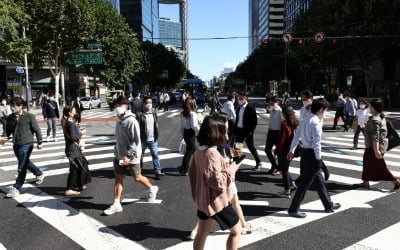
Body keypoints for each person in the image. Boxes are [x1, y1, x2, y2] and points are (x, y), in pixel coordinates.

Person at [188, 114, 242, 250]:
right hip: (217, 201)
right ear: (217, 132)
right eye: (225, 130)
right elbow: (217, 182)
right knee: (237, 231)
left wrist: (224, 163)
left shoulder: (199, 151)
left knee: (201, 233)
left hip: (203, 200)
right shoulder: (212, 153)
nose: (226, 133)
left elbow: (195, 173)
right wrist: (232, 169)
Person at [103, 96, 159, 215]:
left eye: (118, 105)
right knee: (118, 178)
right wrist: (117, 152)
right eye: (116, 105)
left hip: (131, 156)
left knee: (137, 177)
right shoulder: (119, 120)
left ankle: (152, 188)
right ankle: (116, 203)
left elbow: (136, 142)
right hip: (119, 155)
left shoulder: (131, 120)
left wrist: (129, 156)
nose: (116, 108)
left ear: (125, 106)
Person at [286, 98, 340, 218]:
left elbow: (297, 136)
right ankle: (293, 209)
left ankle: (328, 204)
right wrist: (319, 159)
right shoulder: (315, 122)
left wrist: (291, 150)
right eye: (325, 110)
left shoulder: (305, 119)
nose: (325, 112)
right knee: (305, 184)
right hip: (312, 155)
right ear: (321, 109)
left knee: (319, 180)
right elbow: (317, 144)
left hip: (305, 153)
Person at [353, 99, 400, 191]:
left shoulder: (375, 120)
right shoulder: (379, 116)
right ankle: (365, 182)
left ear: (374, 108)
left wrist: (376, 150)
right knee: (367, 163)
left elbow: (375, 137)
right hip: (372, 146)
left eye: (370, 106)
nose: (369, 108)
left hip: (373, 147)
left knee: (381, 166)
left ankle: (396, 181)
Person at [5, 97, 45, 198]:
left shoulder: (29, 116)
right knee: (25, 162)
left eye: (13, 106)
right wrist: (2, 138)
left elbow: (37, 129)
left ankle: (17, 188)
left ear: (21, 106)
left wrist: (40, 142)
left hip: (27, 143)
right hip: (16, 144)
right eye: (11, 106)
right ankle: (39, 173)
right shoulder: (10, 118)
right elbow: (7, 131)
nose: (12, 108)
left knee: (22, 166)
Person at [61, 106, 91, 196]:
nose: (76, 112)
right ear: (70, 113)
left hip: (73, 148)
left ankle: (79, 184)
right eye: (74, 111)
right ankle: (69, 189)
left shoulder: (69, 122)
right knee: (74, 169)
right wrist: (81, 132)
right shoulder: (70, 124)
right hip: (72, 149)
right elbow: (74, 137)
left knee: (82, 165)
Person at [274, 106, 298, 198]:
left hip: (283, 150)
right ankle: (292, 184)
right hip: (291, 149)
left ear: (284, 114)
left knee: (284, 170)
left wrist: (276, 151)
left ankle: (287, 190)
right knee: (285, 168)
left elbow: (281, 140)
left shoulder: (284, 125)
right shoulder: (294, 123)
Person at [139, 96, 164, 179]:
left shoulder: (153, 113)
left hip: (153, 139)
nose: (149, 104)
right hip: (142, 139)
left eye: (150, 103)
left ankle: (157, 171)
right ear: (143, 104)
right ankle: (139, 170)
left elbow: (156, 123)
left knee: (155, 155)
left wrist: (157, 131)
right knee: (140, 156)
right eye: (147, 103)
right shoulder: (139, 115)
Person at [235, 92, 261, 169]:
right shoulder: (239, 108)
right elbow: (238, 120)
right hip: (239, 131)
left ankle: (258, 162)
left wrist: (250, 132)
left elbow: (254, 122)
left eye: (241, 98)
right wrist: (235, 130)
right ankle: (235, 163)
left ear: (246, 98)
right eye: (239, 98)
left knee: (251, 147)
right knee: (237, 147)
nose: (239, 99)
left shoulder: (251, 109)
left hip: (247, 132)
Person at [179, 98, 200, 175]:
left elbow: (181, 126)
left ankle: (199, 165)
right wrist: (201, 132)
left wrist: (182, 135)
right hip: (191, 134)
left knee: (195, 151)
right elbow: (194, 126)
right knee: (188, 152)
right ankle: (184, 169)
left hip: (185, 133)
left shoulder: (182, 113)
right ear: (191, 104)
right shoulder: (192, 114)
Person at [263, 96, 282, 174]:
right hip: (271, 132)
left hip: (278, 133)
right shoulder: (272, 110)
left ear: (277, 102)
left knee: (279, 152)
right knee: (267, 150)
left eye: (272, 103)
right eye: (269, 103)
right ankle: (274, 165)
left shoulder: (280, 111)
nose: (270, 105)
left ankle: (279, 168)